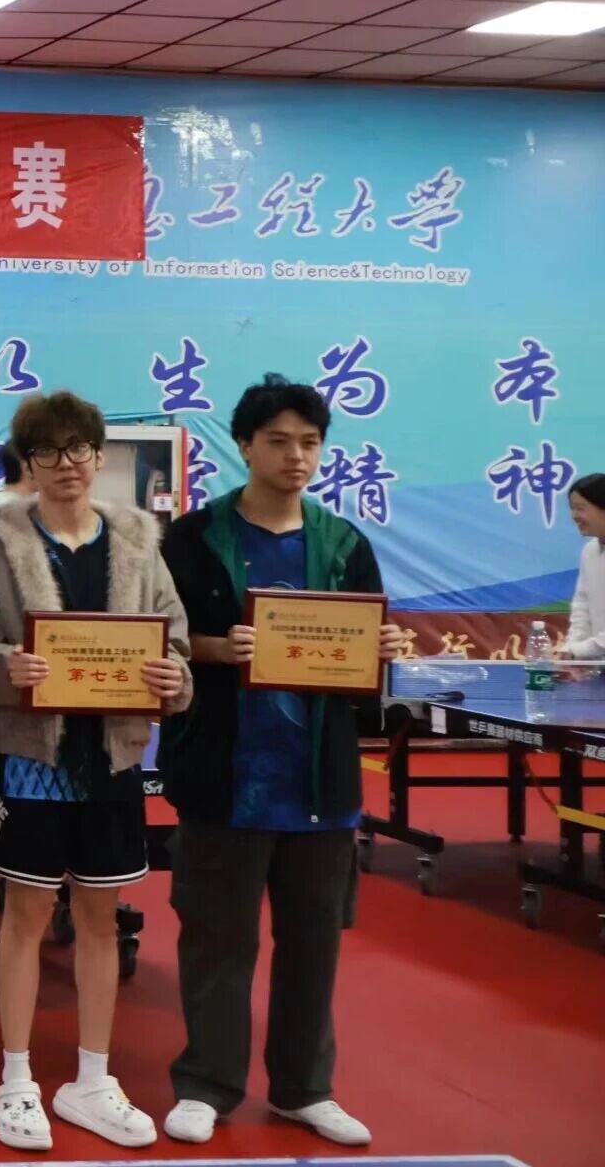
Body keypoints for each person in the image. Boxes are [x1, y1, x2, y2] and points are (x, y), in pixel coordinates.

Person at [158, 375, 414, 1149]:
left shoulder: (343, 545)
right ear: (244, 446)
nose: (296, 456)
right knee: (217, 939)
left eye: (309, 442)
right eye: (278, 441)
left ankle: (305, 1089)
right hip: (225, 776)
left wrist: (380, 649)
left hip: (319, 781)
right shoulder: (194, 538)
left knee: (314, 941)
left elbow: (362, 657)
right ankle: (206, 1084)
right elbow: (162, 642)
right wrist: (216, 647)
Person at [0, 390, 190, 1152]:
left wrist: (173, 679)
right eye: (47, 451)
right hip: (33, 760)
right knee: (26, 916)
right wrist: (6, 666)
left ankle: (92, 1080)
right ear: (27, 464)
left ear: (99, 457)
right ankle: (17, 1079)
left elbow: (175, 646)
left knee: (100, 918)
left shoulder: (140, 544)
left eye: (79, 449)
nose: (66, 464)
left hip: (114, 758)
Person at [563, 473, 605, 661]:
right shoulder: (589, 551)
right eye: (572, 509)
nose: (574, 516)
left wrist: (578, 651)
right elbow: (582, 605)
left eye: (580, 508)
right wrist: (571, 648)